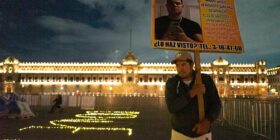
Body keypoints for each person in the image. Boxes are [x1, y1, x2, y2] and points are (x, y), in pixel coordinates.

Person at [165, 51, 221, 139]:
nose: (180, 68)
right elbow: (172, 107)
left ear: (191, 65)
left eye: (183, 64)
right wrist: (192, 92)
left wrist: (208, 121)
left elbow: (216, 104)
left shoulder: (205, 80)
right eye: (177, 65)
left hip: (202, 134)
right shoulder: (172, 83)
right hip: (180, 134)